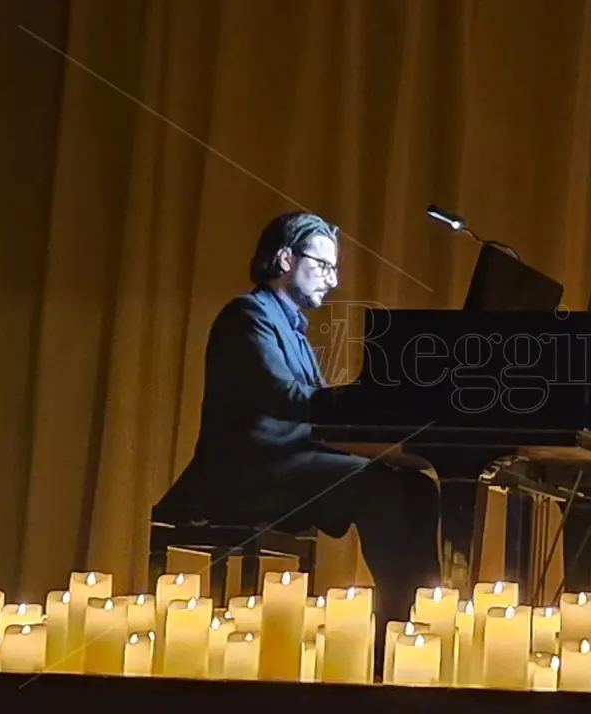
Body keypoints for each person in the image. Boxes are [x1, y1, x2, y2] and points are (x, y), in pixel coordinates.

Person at [169, 211, 441, 676]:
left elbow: (315, 417)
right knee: (377, 486)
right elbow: (283, 397)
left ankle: (419, 617)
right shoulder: (247, 315)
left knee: (417, 485)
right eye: (325, 266)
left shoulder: (290, 326)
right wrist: (360, 401)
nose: (332, 282)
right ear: (284, 259)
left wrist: (377, 431)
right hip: (246, 473)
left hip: (285, 464)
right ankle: (390, 632)